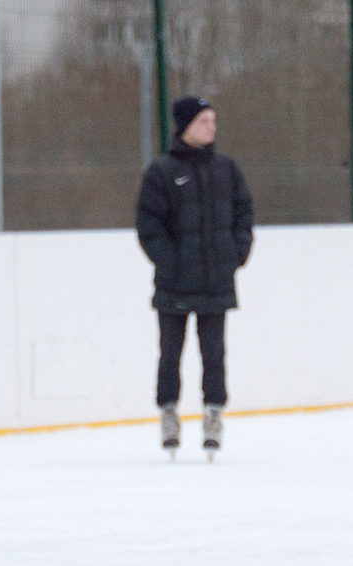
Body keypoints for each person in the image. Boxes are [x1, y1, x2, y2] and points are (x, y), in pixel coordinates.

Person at [135, 95, 255, 459]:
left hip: (215, 280)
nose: (212, 127)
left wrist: (236, 254)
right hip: (175, 282)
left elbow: (244, 213)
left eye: (213, 121)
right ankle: (169, 412)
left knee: (214, 353)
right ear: (186, 125)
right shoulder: (162, 172)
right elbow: (148, 224)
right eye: (204, 121)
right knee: (170, 352)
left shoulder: (226, 170)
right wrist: (169, 262)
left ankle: (213, 414)